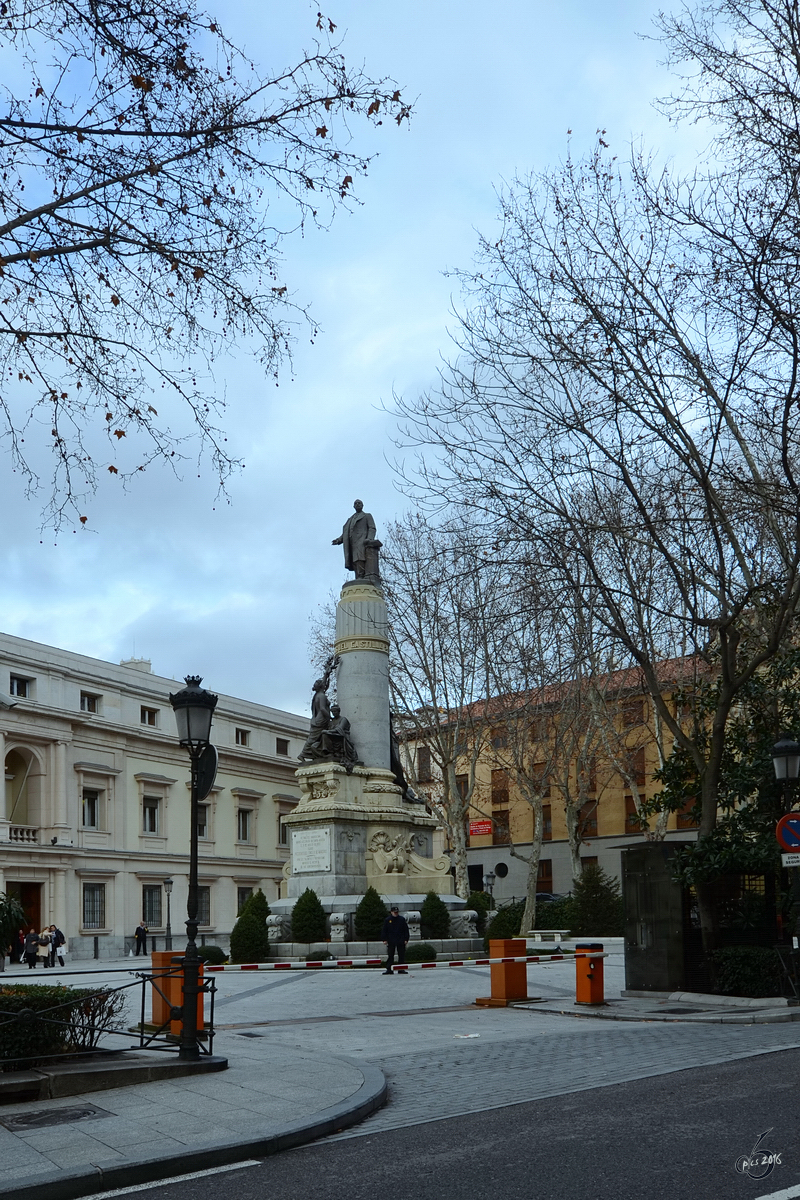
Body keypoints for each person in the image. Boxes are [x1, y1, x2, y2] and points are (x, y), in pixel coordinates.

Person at [332, 500, 377, 579]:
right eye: (355, 503)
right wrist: (338, 540)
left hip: (362, 540)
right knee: (354, 560)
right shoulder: (350, 519)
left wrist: (369, 538)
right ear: (353, 506)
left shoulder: (367, 516)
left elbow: (372, 528)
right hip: (351, 543)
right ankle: (358, 577)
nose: (357, 504)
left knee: (360, 558)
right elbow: (346, 532)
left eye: (359, 503)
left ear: (363, 505)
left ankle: (361, 576)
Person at [381, 906, 410, 975]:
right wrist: (384, 939)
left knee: (401, 955)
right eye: (394, 912)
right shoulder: (388, 920)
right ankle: (389, 969)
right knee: (390, 955)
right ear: (391, 912)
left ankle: (401, 969)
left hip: (400, 939)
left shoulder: (401, 919)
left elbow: (406, 930)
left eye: (397, 912)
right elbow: (384, 930)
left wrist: (406, 939)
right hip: (391, 940)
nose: (396, 913)